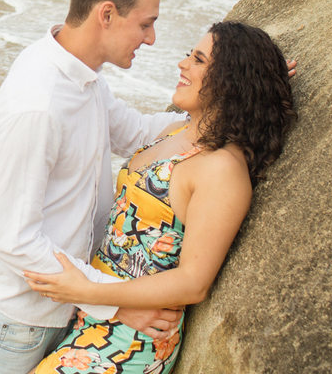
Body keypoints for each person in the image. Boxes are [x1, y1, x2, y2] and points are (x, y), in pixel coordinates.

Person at [0, 0, 190, 374]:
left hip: (59, 311)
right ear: (107, 14)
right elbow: (14, 240)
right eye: (145, 24)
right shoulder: (38, 105)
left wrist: (236, 93)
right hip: (6, 319)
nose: (151, 39)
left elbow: (135, 132)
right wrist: (115, 304)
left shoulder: (83, 76)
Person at [22, 21, 296, 373]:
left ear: (231, 81)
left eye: (198, 60)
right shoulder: (176, 130)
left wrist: (87, 291)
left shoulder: (221, 170)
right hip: (95, 315)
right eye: (188, 56)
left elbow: (193, 282)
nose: (182, 65)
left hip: (134, 338)